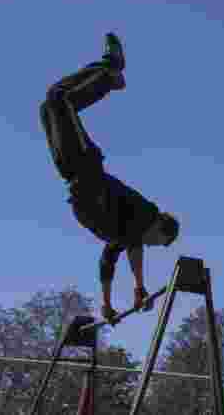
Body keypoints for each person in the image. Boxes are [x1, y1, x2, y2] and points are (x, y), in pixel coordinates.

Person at [39, 33, 180, 324]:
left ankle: (109, 80)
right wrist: (139, 287)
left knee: (49, 108)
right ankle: (111, 69)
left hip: (71, 175)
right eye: (157, 242)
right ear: (160, 229)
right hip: (85, 166)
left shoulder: (121, 232)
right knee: (58, 98)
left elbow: (107, 263)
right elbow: (136, 243)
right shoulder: (146, 214)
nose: (151, 246)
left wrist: (106, 305)